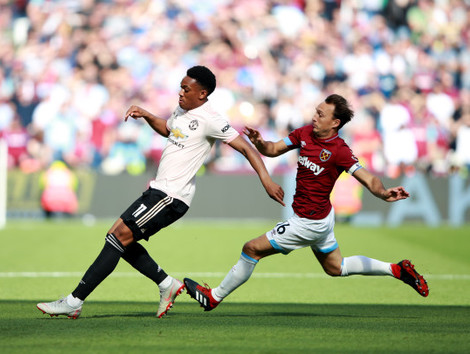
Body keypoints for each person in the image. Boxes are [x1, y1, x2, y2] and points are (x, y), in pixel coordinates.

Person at [36, 65, 285, 319]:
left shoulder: (211, 118)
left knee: (117, 238)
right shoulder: (182, 110)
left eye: (186, 89)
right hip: (160, 190)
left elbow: (246, 148)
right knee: (118, 239)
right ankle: (166, 284)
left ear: (202, 94)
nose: (180, 93)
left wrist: (266, 180)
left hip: (171, 196)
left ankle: (74, 300)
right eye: (180, 87)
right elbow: (169, 130)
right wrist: (146, 115)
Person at [184, 94, 429, 312]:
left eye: (321, 114)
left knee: (251, 249)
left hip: (309, 222)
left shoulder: (339, 150)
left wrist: (384, 193)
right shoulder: (304, 134)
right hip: (321, 217)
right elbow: (271, 149)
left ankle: (213, 297)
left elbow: (367, 177)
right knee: (336, 267)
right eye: (316, 111)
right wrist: (259, 142)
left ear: (335, 123)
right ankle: (397, 270)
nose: (314, 116)